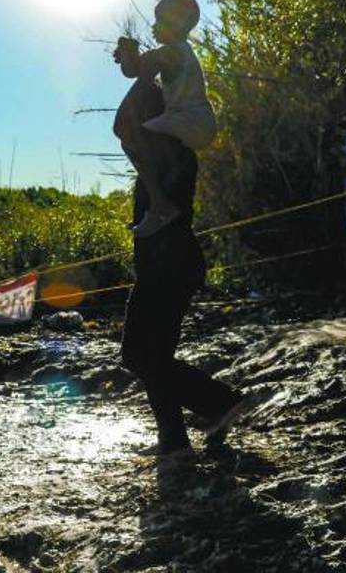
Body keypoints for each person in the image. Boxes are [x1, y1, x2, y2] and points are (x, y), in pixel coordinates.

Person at [117, 74, 256, 458]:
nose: (128, 134)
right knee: (149, 355)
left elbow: (125, 128)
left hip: (170, 268)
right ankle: (175, 439)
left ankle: (220, 404)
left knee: (141, 355)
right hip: (165, 267)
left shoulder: (168, 155)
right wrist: (142, 72)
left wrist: (144, 77)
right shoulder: (164, 153)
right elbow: (125, 128)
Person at [112, 0, 218, 237]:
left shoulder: (170, 53)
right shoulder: (180, 52)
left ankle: (161, 205)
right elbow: (139, 69)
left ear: (178, 24)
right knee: (137, 131)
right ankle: (160, 200)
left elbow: (134, 70)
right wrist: (131, 54)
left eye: (159, 21)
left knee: (129, 136)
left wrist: (129, 52)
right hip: (194, 121)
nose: (153, 26)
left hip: (190, 121)